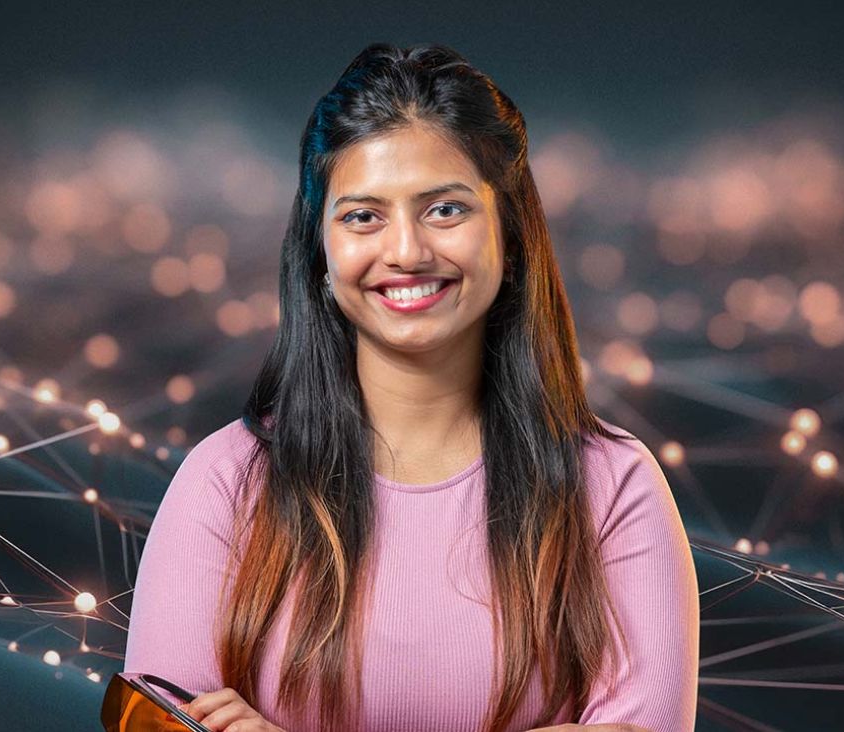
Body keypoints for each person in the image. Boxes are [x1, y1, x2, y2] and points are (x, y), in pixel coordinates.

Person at [121, 43, 699, 732]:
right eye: (363, 216)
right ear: (319, 256)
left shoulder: (611, 487)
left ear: (511, 238)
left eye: (445, 210)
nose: (406, 252)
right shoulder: (225, 485)